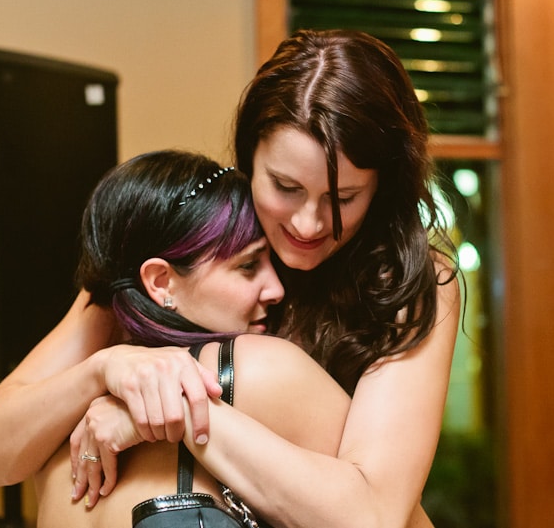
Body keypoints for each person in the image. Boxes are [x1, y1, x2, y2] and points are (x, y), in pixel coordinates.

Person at [0, 29, 461, 527]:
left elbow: (374, 514)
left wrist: (161, 416)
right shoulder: (187, 246)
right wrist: (104, 369)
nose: (308, 224)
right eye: (285, 187)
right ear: (248, 160)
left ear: (381, 187)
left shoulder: (410, 283)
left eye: (343, 198)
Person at [23, 148, 351, 526]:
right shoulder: (260, 369)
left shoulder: (53, 423)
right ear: (162, 282)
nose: (276, 288)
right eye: (247, 265)